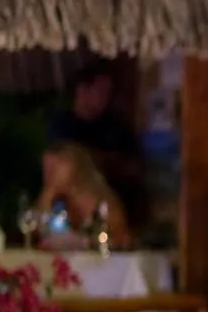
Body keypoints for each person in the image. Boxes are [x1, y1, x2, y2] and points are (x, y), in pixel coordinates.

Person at [48, 61, 143, 225]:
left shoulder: (115, 126)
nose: (105, 98)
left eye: (108, 93)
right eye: (100, 91)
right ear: (82, 91)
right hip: (72, 202)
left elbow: (134, 166)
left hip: (111, 198)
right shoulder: (63, 125)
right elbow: (59, 162)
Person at [36, 142, 132, 249]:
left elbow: (119, 242)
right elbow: (38, 229)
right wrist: (49, 192)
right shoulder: (60, 204)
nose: (48, 175)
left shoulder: (102, 203)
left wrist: (84, 242)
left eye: (54, 169)